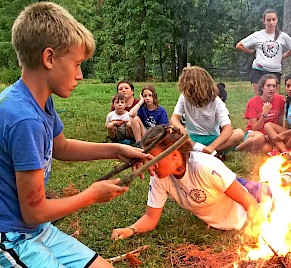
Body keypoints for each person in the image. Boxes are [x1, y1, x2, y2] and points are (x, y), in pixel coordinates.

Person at [0, 2, 153, 267]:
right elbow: (34, 210)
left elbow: (62, 147)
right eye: (77, 64)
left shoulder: (38, 101)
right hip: (13, 238)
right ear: (49, 58)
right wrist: (91, 195)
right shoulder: (23, 118)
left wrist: (116, 150)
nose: (80, 75)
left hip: (37, 230)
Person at [111, 125, 272, 240]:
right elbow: (151, 217)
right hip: (222, 194)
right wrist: (131, 229)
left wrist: (258, 231)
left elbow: (249, 202)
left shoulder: (205, 166)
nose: (149, 166)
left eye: (154, 159)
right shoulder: (159, 177)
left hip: (254, 198)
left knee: (275, 191)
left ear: (174, 155)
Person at [170, 66, 244, 157]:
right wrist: (186, 136)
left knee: (239, 134)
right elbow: (174, 118)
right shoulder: (184, 97)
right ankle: (206, 153)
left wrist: (212, 147)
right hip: (190, 138)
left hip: (212, 139)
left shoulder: (217, 102)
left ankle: (212, 152)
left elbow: (227, 128)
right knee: (170, 133)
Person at [236, 8, 291, 95]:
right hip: (259, 70)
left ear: (277, 20)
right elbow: (239, 45)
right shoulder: (257, 35)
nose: (271, 22)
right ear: (264, 21)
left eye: (273, 19)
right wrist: (253, 52)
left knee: (275, 99)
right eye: (268, 20)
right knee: (259, 98)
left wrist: (282, 56)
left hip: (275, 71)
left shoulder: (283, 36)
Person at [236, 74, 285, 153]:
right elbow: (255, 128)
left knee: (267, 149)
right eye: (268, 86)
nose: (271, 89)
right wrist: (264, 114)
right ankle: (237, 149)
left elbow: (279, 123)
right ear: (262, 87)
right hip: (254, 133)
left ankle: (253, 149)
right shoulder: (253, 102)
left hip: (270, 133)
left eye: (274, 86)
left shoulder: (280, 99)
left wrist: (274, 134)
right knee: (259, 138)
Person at [111, 80, 145, 147]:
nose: (123, 90)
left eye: (126, 88)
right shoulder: (116, 105)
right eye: (120, 89)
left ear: (132, 91)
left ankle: (135, 141)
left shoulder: (139, 103)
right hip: (120, 130)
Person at [264, 74, 291, 154]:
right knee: (268, 125)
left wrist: (283, 134)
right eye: (288, 86)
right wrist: (276, 135)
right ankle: (284, 151)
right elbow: (287, 126)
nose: (290, 89)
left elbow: (286, 132)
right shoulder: (287, 103)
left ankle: (281, 150)